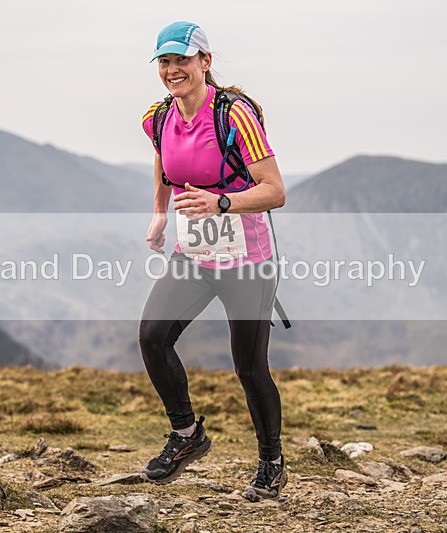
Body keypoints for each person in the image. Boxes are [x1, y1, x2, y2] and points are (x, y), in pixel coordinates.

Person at [139, 21, 287, 501]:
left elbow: (274, 191)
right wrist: (160, 216)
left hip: (248, 257)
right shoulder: (157, 118)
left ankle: (272, 462)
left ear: (205, 61)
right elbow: (165, 165)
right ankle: (186, 436)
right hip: (197, 253)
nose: (172, 69)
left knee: (248, 366)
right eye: (165, 61)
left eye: (182, 59)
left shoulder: (234, 114)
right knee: (153, 336)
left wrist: (220, 203)